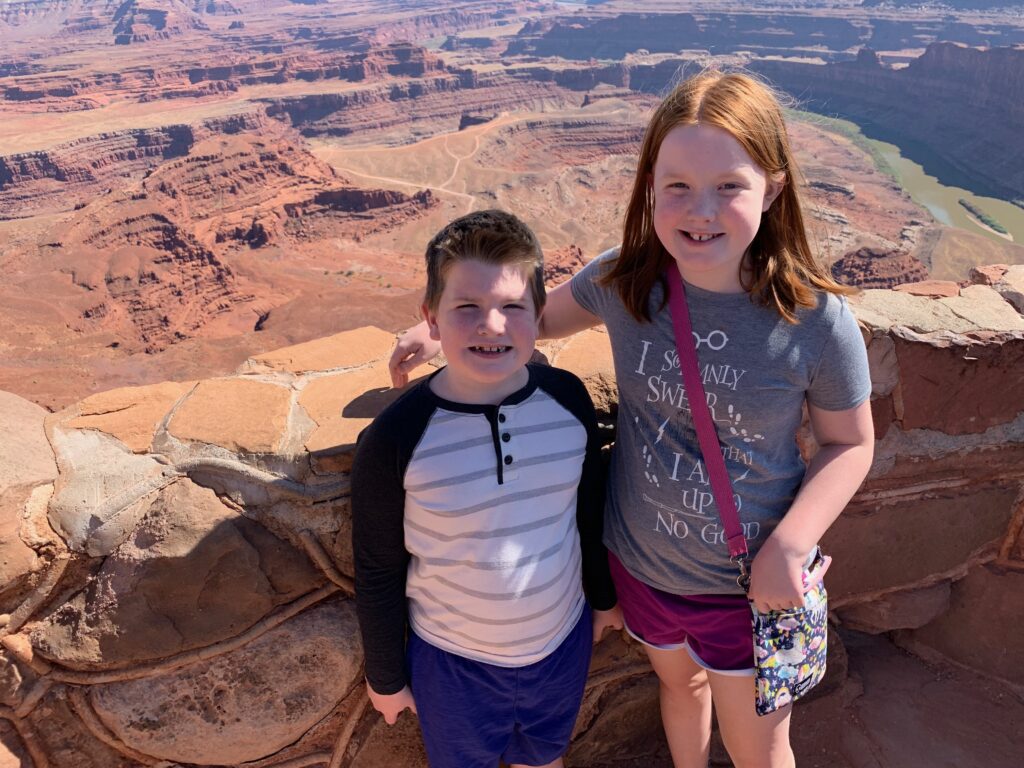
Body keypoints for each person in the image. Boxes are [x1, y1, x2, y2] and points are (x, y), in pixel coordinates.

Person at [388, 71, 874, 768]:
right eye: (676, 185)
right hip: (642, 571)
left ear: (772, 188)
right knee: (680, 690)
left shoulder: (813, 320)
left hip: (749, 587)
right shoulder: (626, 281)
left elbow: (849, 442)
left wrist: (792, 544)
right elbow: (523, 322)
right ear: (649, 187)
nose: (699, 210)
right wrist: (439, 331)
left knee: (760, 752)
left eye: (729, 186)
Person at [352, 209, 621, 768]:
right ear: (431, 317)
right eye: (466, 308)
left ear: (540, 312)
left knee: (544, 759)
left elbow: (587, 515)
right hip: (452, 664)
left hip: (560, 645)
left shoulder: (568, 401)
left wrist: (602, 600)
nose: (491, 326)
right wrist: (385, 674)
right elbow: (378, 566)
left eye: (511, 307)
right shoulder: (398, 437)